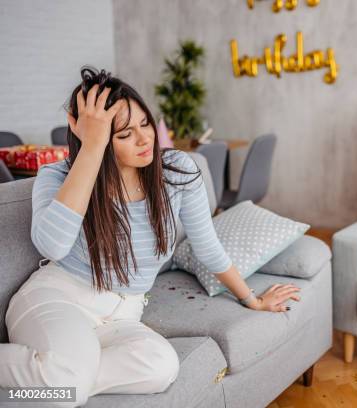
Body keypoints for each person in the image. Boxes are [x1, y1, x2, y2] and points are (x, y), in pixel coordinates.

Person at [0, 68, 301, 406]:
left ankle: (67, 379)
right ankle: (66, 379)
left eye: (145, 124)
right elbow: (51, 245)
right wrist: (92, 148)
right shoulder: (58, 176)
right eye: (124, 134)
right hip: (59, 299)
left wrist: (252, 299)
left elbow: (207, 246)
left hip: (122, 316)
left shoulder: (177, 170)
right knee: (66, 383)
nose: (145, 139)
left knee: (161, 366)